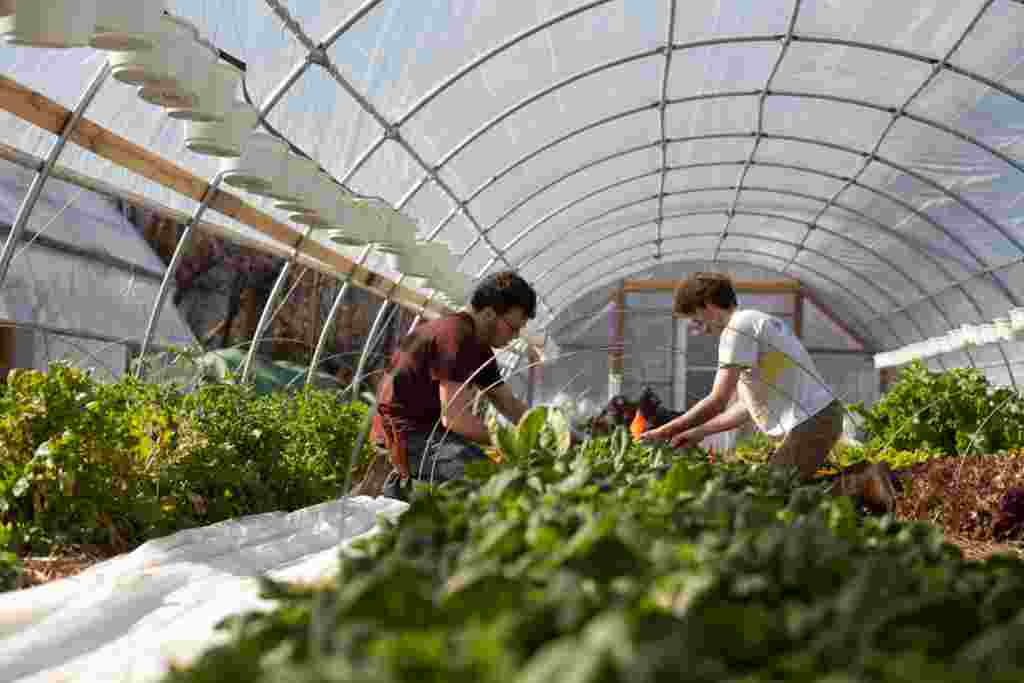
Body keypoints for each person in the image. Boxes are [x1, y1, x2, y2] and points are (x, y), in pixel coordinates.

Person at [640, 272, 895, 513]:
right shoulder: (753, 322)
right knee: (781, 490)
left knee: (768, 492)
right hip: (817, 418)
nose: (701, 329)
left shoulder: (737, 330)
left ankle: (864, 480)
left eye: (696, 319)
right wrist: (700, 431)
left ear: (708, 305)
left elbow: (717, 401)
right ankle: (862, 480)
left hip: (811, 422)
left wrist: (666, 430)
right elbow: (744, 408)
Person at [352, 271, 536, 497]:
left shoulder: (479, 349)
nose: (515, 336)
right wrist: (510, 441)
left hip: (427, 433)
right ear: (489, 314)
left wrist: (553, 433)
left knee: (494, 473)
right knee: (492, 481)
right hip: (406, 436)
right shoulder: (455, 337)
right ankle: (396, 489)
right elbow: (456, 419)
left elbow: (509, 405)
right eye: (513, 327)